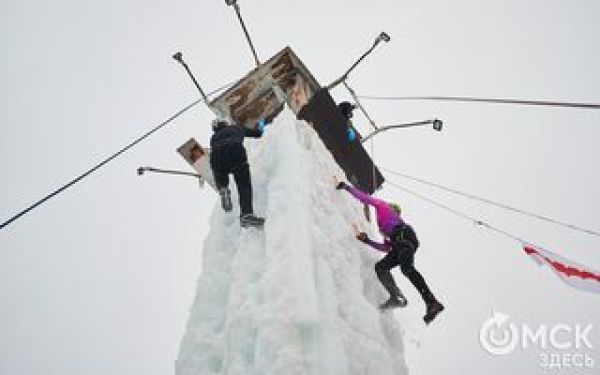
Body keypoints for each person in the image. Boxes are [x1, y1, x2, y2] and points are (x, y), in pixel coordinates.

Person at [336, 181, 444, 324]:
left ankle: (432, 302)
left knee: (407, 268)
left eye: (396, 212)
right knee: (380, 267)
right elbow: (385, 248)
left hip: (403, 239)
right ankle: (396, 297)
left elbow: (365, 198)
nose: (396, 214)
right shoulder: (387, 228)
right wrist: (367, 241)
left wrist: (347, 188)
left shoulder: (383, 207)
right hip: (399, 244)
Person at [210, 118, 267, 228]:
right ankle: (246, 215)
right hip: (234, 150)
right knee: (243, 184)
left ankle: (223, 188)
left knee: (219, 172)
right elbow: (256, 134)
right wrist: (261, 129)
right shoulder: (235, 128)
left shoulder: (213, 138)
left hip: (216, 155)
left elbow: (216, 162)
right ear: (226, 124)